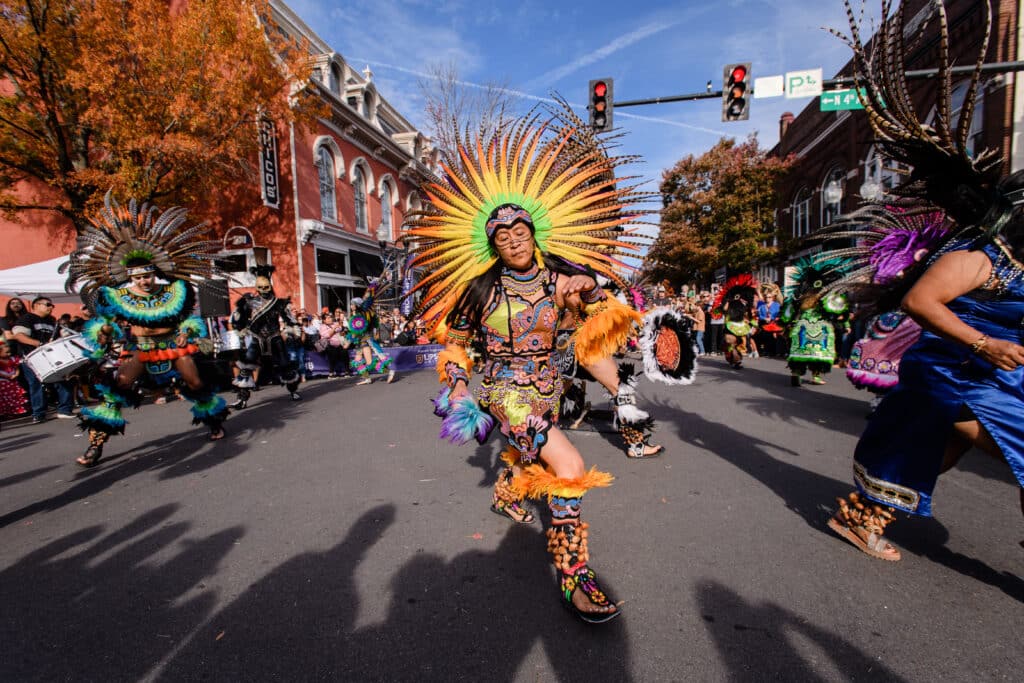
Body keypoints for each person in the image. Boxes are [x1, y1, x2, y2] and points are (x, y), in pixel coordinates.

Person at [406, 102, 647, 623]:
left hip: (549, 389)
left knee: (528, 452)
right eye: (502, 236)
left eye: (521, 232)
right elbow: (456, 343)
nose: (513, 241)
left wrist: (591, 294)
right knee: (567, 465)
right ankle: (575, 575)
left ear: (535, 232)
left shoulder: (560, 279)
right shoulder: (480, 290)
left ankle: (505, 492)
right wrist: (460, 386)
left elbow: (594, 313)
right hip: (503, 392)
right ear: (491, 244)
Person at [820, 4, 1024, 561]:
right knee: (933, 441)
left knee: (951, 443)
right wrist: (987, 343)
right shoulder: (982, 254)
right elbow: (918, 299)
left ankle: (866, 513)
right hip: (957, 370)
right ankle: (864, 513)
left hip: (991, 374)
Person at [62, 192, 228, 467]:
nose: (144, 281)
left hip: (174, 346)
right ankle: (96, 445)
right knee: (118, 388)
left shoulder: (176, 290)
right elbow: (109, 325)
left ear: (155, 273)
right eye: (138, 277)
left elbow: (189, 317)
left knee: (195, 382)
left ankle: (213, 422)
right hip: (141, 349)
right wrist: (104, 332)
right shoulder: (117, 297)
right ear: (130, 277)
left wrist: (188, 330)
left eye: (148, 275)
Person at [229, 265, 302, 409]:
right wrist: (241, 327)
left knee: (285, 365)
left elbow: (290, 319)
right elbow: (238, 319)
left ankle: (293, 391)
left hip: (275, 338)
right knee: (246, 367)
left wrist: (292, 329)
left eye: (266, 287)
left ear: (270, 286)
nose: (264, 291)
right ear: (257, 287)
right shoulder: (249, 302)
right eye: (261, 288)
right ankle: (242, 399)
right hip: (256, 339)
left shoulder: (278, 303)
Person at [780, 257, 851, 387]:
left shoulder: (801, 297)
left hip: (801, 326)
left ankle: (796, 372)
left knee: (799, 350)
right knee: (818, 352)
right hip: (821, 327)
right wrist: (845, 323)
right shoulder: (827, 297)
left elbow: (789, 312)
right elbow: (838, 310)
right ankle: (816, 376)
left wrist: (787, 325)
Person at [9, 296, 76, 423]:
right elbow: (19, 336)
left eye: (52, 305)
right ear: (36, 305)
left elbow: (59, 338)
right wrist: (39, 344)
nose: (51, 307)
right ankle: (38, 414)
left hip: (50, 356)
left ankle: (65, 410)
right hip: (31, 357)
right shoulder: (27, 318)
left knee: (62, 380)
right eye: (47, 305)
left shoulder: (52, 321)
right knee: (36, 384)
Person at [344, 281, 395, 386]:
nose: (351, 306)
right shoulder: (357, 315)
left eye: (352, 304)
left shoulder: (361, 314)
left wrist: (348, 342)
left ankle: (390, 371)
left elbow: (356, 331)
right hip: (360, 342)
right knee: (359, 361)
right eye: (351, 304)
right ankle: (367, 378)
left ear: (357, 305)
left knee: (374, 359)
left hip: (366, 340)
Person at [0, 338, 28, 422]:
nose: (9, 354)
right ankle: (5, 413)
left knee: (15, 396)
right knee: (5, 398)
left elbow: (16, 367)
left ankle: (16, 411)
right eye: (6, 352)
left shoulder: (12, 359)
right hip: (3, 381)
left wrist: (16, 374)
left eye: (9, 352)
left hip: (13, 380)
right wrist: (7, 377)